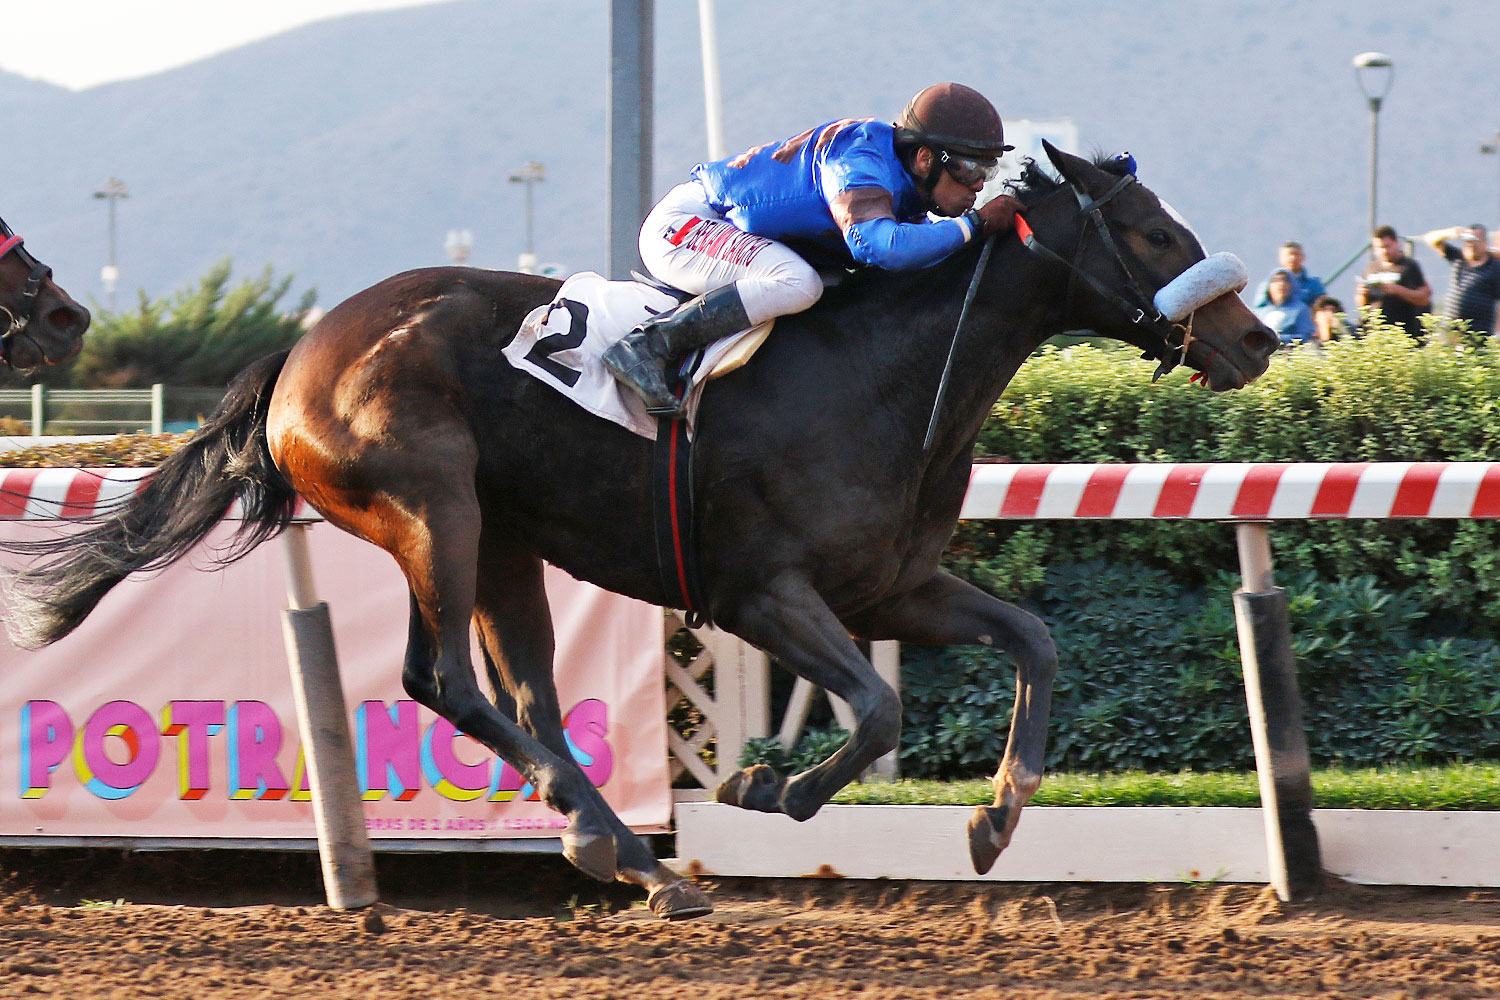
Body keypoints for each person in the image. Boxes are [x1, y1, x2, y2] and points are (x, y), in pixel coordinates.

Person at [602, 82, 1026, 415]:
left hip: (731, 233)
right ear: (925, 159)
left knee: (834, 287)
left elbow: (919, 255)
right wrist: (975, 224)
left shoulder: (905, 190)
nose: (979, 183)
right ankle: (647, 346)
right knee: (798, 283)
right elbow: (882, 248)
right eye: (970, 166)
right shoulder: (858, 158)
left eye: (988, 169)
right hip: (687, 225)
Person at [1421, 223, 1500, 336]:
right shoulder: (1458, 258)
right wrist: (1451, 233)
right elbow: (1431, 239)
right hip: (1452, 330)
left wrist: (1498, 333)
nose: (1471, 244)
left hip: (1479, 332)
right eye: (1468, 240)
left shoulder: (1494, 267)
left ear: (1484, 242)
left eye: (1475, 240)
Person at [1354, 225, 1430, 340]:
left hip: (1403, 332)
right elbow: (1361, 305)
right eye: (1379, 247)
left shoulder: (1408, 266)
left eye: (1387, 246)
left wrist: (1398, 290)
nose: (1384, 251)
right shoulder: (1371, 268)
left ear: (1396, 243)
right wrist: (1363, 294)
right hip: (1375, 333)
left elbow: (1423, 298)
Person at [1251, 240, 1326, 308]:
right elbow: (1258, 308)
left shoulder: (1313, 283)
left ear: (1303, 257)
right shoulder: (1268, 284)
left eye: (1296, 254)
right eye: (1288, 255)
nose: (1292, 258)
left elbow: (1322, 306)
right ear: (1280, 258)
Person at [1253, 269, 1315, 345]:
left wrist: (1278, 339)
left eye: (1286, 280)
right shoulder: (1257, 312)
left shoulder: (1301, 310)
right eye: (1276, 280)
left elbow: (1305, 336)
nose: (1281, 284)